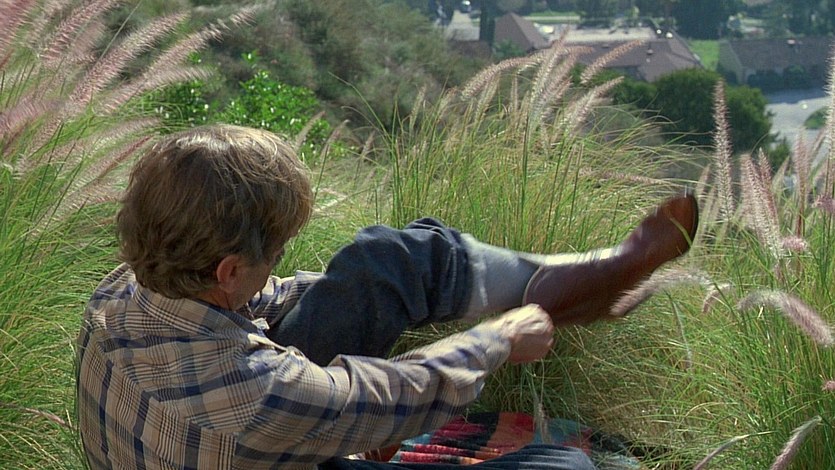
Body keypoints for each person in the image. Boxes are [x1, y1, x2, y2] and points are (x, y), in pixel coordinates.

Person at [76, 124, 698, 470]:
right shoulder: (253, 390)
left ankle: (563, 282)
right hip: (262, 439)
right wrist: (499, 339)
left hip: (239, 446)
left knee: (385, 262)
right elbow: (378, 397)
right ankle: (562, 294)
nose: (278, 266)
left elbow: (257, 305)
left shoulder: (124, 289)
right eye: (275, 253)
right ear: (230, 269)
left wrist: (380, 288)